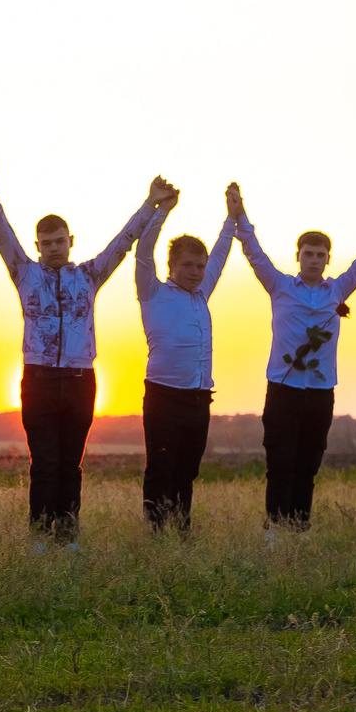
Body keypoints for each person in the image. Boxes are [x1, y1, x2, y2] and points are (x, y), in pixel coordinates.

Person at [0, 157, 170, 543]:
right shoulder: (25, 272)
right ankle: (39, 538)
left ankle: (68, 535)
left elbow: (122, 243)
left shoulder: (89, 275)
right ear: (37, 247)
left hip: (81, 380)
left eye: (59, 241)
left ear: (70, 241)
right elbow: (0, 230)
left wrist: (151, 203)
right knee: (44, 463)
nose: (53, 248)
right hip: (39, 379)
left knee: (71, 465)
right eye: (46, 243)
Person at [227, 184, 356, 535]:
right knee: (280, 463)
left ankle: (300, 530)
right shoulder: (280, 287)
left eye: (320, 254)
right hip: (283, 389)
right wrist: (239, 214)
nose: (314, 259)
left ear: (328, 259)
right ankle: (272, 530)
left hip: (320, 391)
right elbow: (254, 252)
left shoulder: (338, 290)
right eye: (308, 253)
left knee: (308, 465)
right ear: (298, 256)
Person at [132, 187, 236, 532]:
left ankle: (182, 527)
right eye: (188, 265)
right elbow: (143, 251)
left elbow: (221, 252)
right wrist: (163, 209)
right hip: (163, 395)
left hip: (199, 396)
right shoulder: (153, 291)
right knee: (161, 466)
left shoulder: (203, 292)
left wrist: (232, 217)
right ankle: (155, 531)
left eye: (200, 266)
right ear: (171, 266)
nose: (195, 272)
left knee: (187, 469)